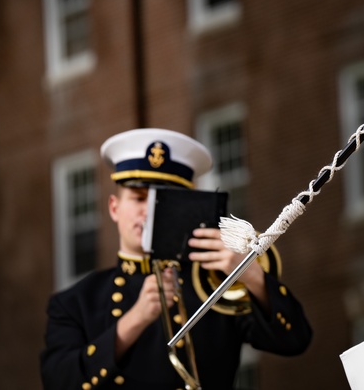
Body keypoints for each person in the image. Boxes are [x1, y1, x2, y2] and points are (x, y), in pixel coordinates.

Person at [40, 128, 312, 390]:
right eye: (139, 198)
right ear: (114, 207)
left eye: (163, 200)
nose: (149, 212)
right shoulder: (75, 303)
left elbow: (294, 340)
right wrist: (136, 318)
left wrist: (250, 275)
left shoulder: (213, 283)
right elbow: (59, 381)